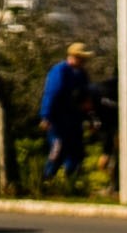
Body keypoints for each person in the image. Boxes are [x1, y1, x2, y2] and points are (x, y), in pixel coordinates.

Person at [38, 43, 98, 186]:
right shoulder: (60, 71)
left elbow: (86, 98)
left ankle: (70, 182)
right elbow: (52, 94)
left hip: (74, 120)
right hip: (58, 120)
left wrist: (90, 119)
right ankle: (47, 180)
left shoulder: (82, 75)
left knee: (75, 152)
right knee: (57, 150)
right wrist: (46, 116)